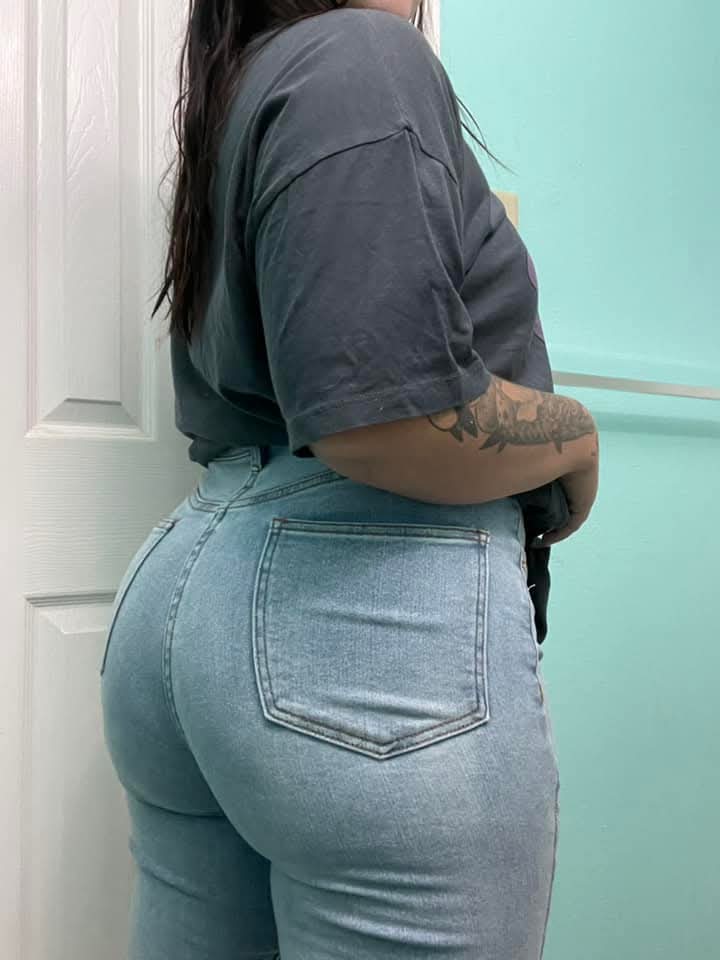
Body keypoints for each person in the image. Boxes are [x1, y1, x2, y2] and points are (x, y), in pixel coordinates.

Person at [100, 1, 600, 957]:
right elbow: (384, 416)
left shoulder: (252, 88)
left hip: (194, 590)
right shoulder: (362, 57)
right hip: (359, 612)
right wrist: (575, 437)